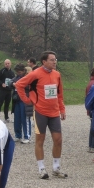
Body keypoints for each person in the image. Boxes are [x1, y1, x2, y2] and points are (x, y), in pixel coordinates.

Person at [15, 51, 67, 179]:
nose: (54, 62)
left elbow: (59, 94)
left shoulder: (57, 75)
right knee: (40, 140)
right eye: (52, 60)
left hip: (54, 112)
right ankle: (41, 168)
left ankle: (56, 167)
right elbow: (19, 85)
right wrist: (27, 100)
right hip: (40, 112)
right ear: (44, 62)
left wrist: (62, 109)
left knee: (58, 140)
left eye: (55, 60)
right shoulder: (36, 73)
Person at [9, 63, 32, 144]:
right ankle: (18, 135)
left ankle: (27, 136)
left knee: (25, 118)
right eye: (17, 72)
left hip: (25, 100)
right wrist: (13, 84)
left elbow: (30, 87)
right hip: (17, 100)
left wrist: (19, 85)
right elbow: (10, 82)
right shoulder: (16, 77)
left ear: (23, 71)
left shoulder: (28, 77)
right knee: (17, 119)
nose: (18, 73)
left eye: (20, 72)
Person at [86, 67, 94, 153]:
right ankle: (93, 145)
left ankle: (91, 146)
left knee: (93, 127)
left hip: (91, 109)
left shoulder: (92, 82)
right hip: (93, 109)